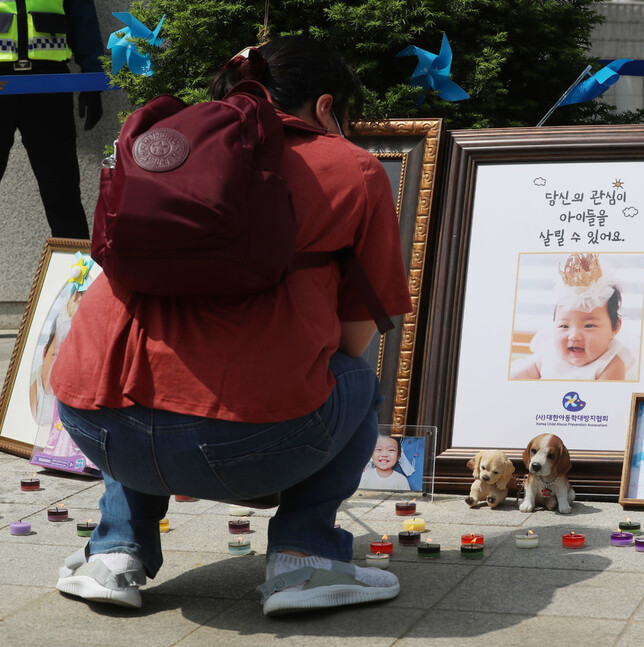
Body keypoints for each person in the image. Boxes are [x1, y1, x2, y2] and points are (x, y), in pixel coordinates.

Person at [49, 36, 412, 615]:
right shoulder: (352, 167)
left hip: (95, 427)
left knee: (142, 380)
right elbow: (354, 337)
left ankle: (115, 554)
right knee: (356, 382)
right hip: (251, 442)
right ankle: (306, 560)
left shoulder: (160, 151)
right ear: (325, 108)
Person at [0, 0, 104, 238]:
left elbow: (82, 16)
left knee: (62, 194)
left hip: (48, 84)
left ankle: (75, 272)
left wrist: (93, 78)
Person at [510, 252, 635, 381]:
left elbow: (604, 398)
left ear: (615, 327)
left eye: (589, 326)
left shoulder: (610, 364)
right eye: (564, 326)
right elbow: (521, 378)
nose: (574, 335)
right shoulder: (549, 353)